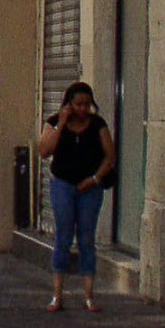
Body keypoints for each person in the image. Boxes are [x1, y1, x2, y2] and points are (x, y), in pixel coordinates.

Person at [38, 80, 116, 314]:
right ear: (69, 104)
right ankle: (57, 295)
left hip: (89, 187)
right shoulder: (54, 122)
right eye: (78, 104)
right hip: (62, 184)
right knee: (63, 237)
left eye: (87, 104)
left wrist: (94, 179)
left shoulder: (98, 124)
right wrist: (62, 123)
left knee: (86, 238)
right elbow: (44, 150)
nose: (83, 109)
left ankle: (89, 295)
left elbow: (110, 156)